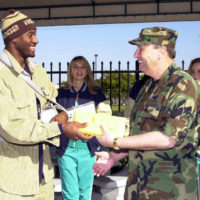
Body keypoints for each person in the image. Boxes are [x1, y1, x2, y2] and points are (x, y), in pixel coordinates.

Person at [93, 27, 200, 200]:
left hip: (169, 189)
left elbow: (168, 139)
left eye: (141, 49)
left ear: (161, 51)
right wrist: (114, 156)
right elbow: (139, 134)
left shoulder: (183, 85)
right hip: (139, 186)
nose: (136, 55)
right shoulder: (148, 86)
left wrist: (115, 141)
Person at [0, 9, 91, 200]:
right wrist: (61, 128)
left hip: (44, 178)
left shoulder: (38, 71)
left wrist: (63, 115)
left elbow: (54, 103)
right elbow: (12, 128)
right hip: (15, 184)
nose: (36, 40)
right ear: (13, 39)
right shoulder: (2, 76)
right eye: (30, 35)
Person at [56, 56, 107, 200]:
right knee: (70, 193)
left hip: (88, 149)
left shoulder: (97, 94)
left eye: (83, 67)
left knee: (85, 193)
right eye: (76, 67)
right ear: (71, 70)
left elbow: (104, 118)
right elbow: (54, 120)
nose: (79, 70)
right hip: (66, 149)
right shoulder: (60, 94)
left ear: (87, 71)